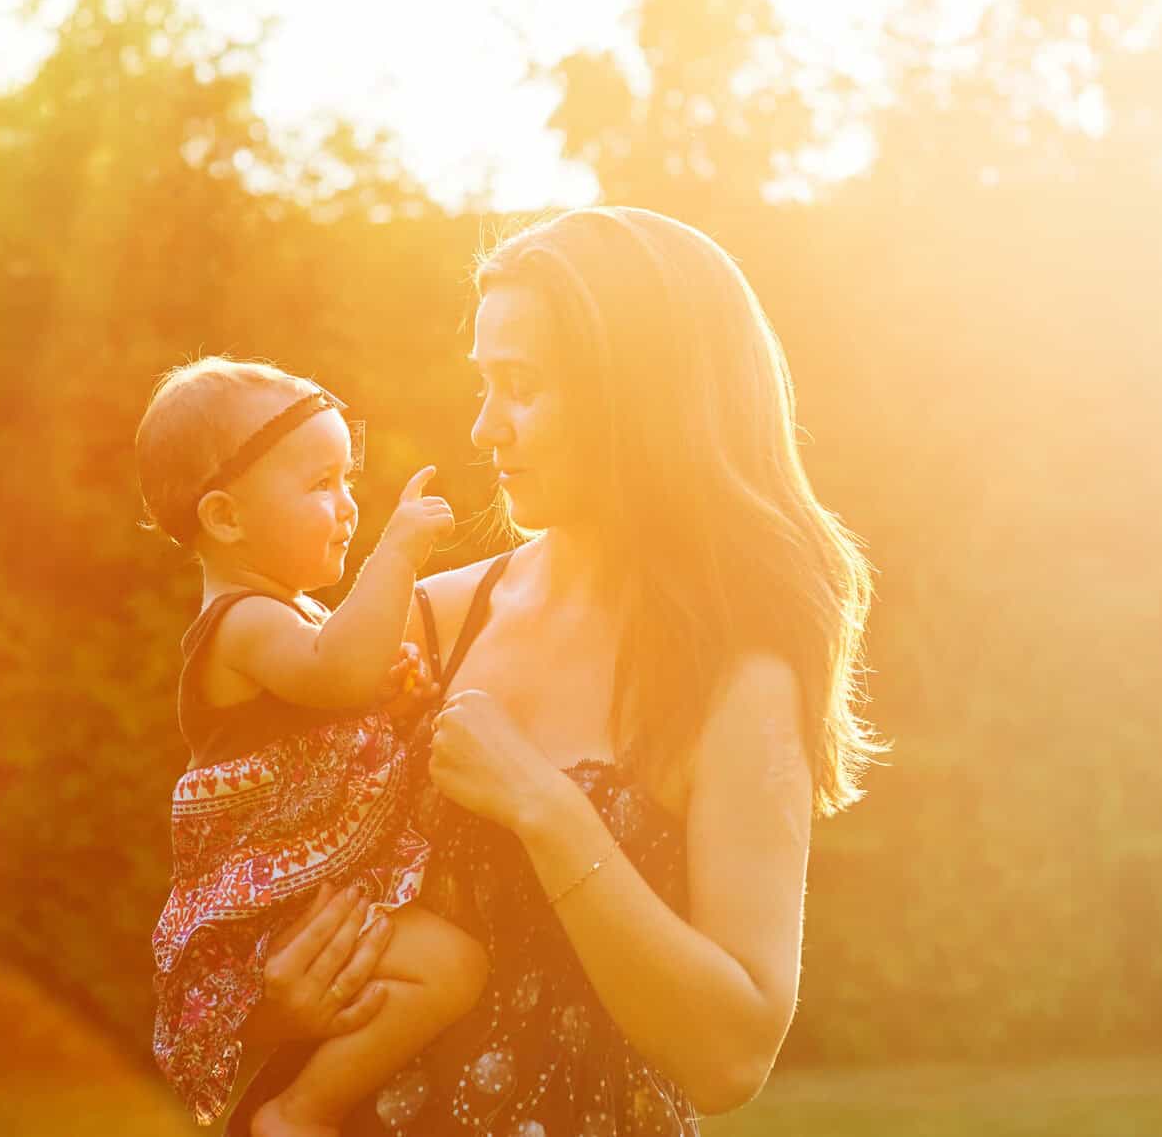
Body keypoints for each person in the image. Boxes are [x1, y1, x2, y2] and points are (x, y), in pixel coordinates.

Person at [230, 208, 879, 1136]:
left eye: (522, 387)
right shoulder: (424, 624)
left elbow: (732, 1053)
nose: (486, 427)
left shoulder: (736, 678)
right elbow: (243, 894)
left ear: (640, 399)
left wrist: (544, 804)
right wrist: (273, 999)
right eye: (485, 385)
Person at [137, 357, 490, 1135]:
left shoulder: (283, 611)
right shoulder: (240, 621)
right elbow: (338, 670)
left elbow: (339, 698)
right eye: (320, 484)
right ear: (227, 518)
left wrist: (390, 698)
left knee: (443, 967)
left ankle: (320, 1091)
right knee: (455, 964)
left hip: (313, 902)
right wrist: (394, 556)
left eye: (348, 480)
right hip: (276, 912)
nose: (348, 507)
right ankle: (300, 1111)